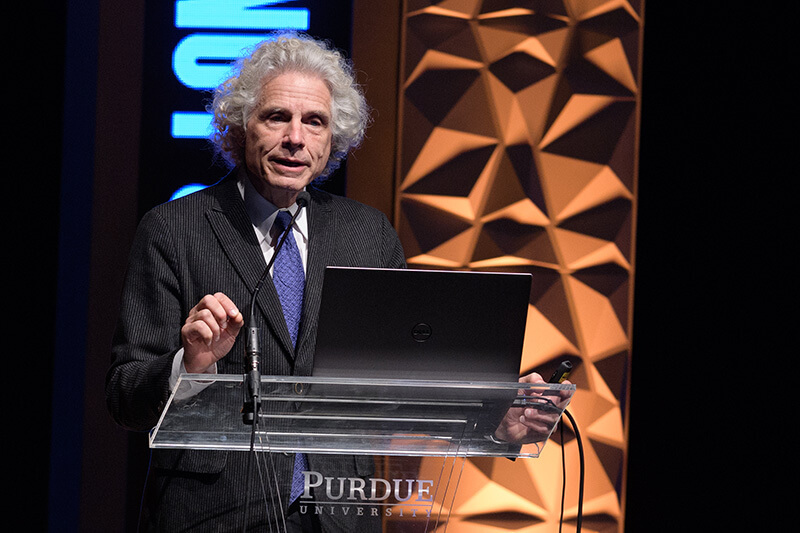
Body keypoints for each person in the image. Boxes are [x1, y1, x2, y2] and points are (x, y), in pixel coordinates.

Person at [106, 32, 569, 532]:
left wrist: (497, 422)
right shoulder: (174, 230)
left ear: (333, 141)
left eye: (315, 122)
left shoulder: (367, 235)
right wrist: (189, 366)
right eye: (276, 116)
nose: (295, 139)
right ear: (241, 128)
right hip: (216, 516)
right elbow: (124, 395)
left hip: (342, 513)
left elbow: (402, 390)